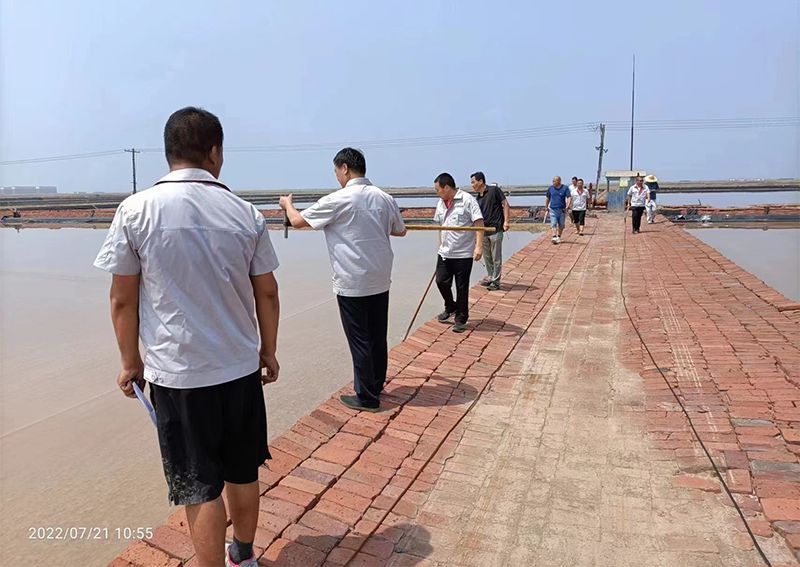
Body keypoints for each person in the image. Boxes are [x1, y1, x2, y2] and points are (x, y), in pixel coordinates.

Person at [94, 107, 280, 567]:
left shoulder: (135, 210)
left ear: (168, 152)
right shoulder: (246, 213)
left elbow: (122, 299)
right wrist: (268, 351)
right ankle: (244, 556)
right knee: (242, 471)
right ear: (215, 152)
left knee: (199, 486)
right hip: (239, 369)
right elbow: (268, 292)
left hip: (178, 376)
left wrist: (130, 362)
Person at [280, 148, 406, 412]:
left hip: (352, 280)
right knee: (377, 335)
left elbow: (298, 221)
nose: (336, 176)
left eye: (336, 171)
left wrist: (287, 204)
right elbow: (400, 230)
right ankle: (376, 384)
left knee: (359, 339)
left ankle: (367, 397)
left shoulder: (338, 199)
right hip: (380, 277)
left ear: (345, 168)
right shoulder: (384, 198)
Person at [433, 172, 485, 333]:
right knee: (441, 281)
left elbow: (479, 223)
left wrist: (478, 247)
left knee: (461, 287)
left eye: (438, 190)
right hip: (445, 252)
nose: (437, 193)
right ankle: (450, 306)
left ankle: (461, 319)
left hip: (463, 253)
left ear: (447, 187)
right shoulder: (440, 203)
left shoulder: (467, 200)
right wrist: (439, 245)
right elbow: (440, 226)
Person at [470, 171, 509, 291]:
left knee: (496, 257)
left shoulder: (494, 190)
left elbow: (505, 204)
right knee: (487, 257)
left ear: (481, 181)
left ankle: (496, 282)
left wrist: (506, 221)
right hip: (484, 231)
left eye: (473, 182)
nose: (472, 185)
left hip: (496, 229)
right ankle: (491, 276)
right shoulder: (478, 198)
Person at [545, 176, 571, 244]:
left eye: (554, 181)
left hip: (562, 210)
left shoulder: (565, 188)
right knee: (553, 223)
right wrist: (546, 206)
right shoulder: (550, 188)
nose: (553, 182)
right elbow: (547, 197)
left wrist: (567, 206)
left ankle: (559, 236)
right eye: (553, 181)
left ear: (559, 181)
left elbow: (569, 197)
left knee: (561, 224)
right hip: (553, 209)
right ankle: (554, 236)